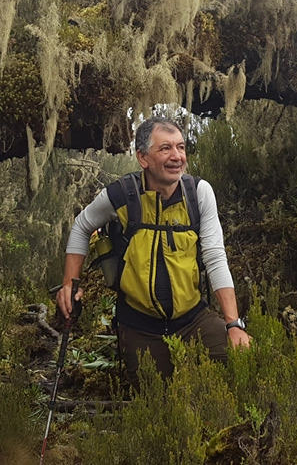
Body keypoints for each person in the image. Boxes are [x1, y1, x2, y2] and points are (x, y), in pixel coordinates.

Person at [55, 116, 250, 383]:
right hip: (139, 326)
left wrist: (233, 324)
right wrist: (70, 283)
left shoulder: (199, 193)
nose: (177, 157)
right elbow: (81, 226)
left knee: (245, 363)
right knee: (153, 401)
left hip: (193, 320)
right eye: (166, 148)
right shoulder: (121, 195)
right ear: (143, 158)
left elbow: (215, 256)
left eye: (181, 147)